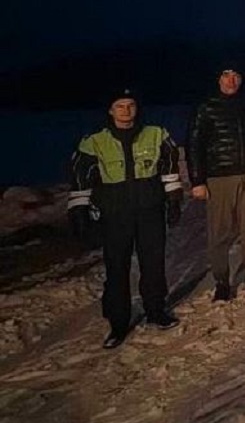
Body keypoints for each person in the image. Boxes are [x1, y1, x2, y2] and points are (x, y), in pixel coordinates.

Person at [67, 89, 182, 349]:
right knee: (116, 268)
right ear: (110, 110)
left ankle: (156, 311)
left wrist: (174, 200)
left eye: (130, 105)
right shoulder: (94, 141)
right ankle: (118, 323)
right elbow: (80, 176)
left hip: (149, 211)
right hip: (115, 215)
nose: (126, 110)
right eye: (120, 106)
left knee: (153, 264)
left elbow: (169, 168)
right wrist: (79, 210)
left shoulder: (156, 134)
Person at [187, 66, 245, 301]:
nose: (231, 81)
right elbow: (194, 144)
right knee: (220, 229)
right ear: (218, 78)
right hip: (219, 176)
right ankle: (222, 280)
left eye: (236, 76)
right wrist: (197, 180)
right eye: (226, 75)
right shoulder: (206, 107)